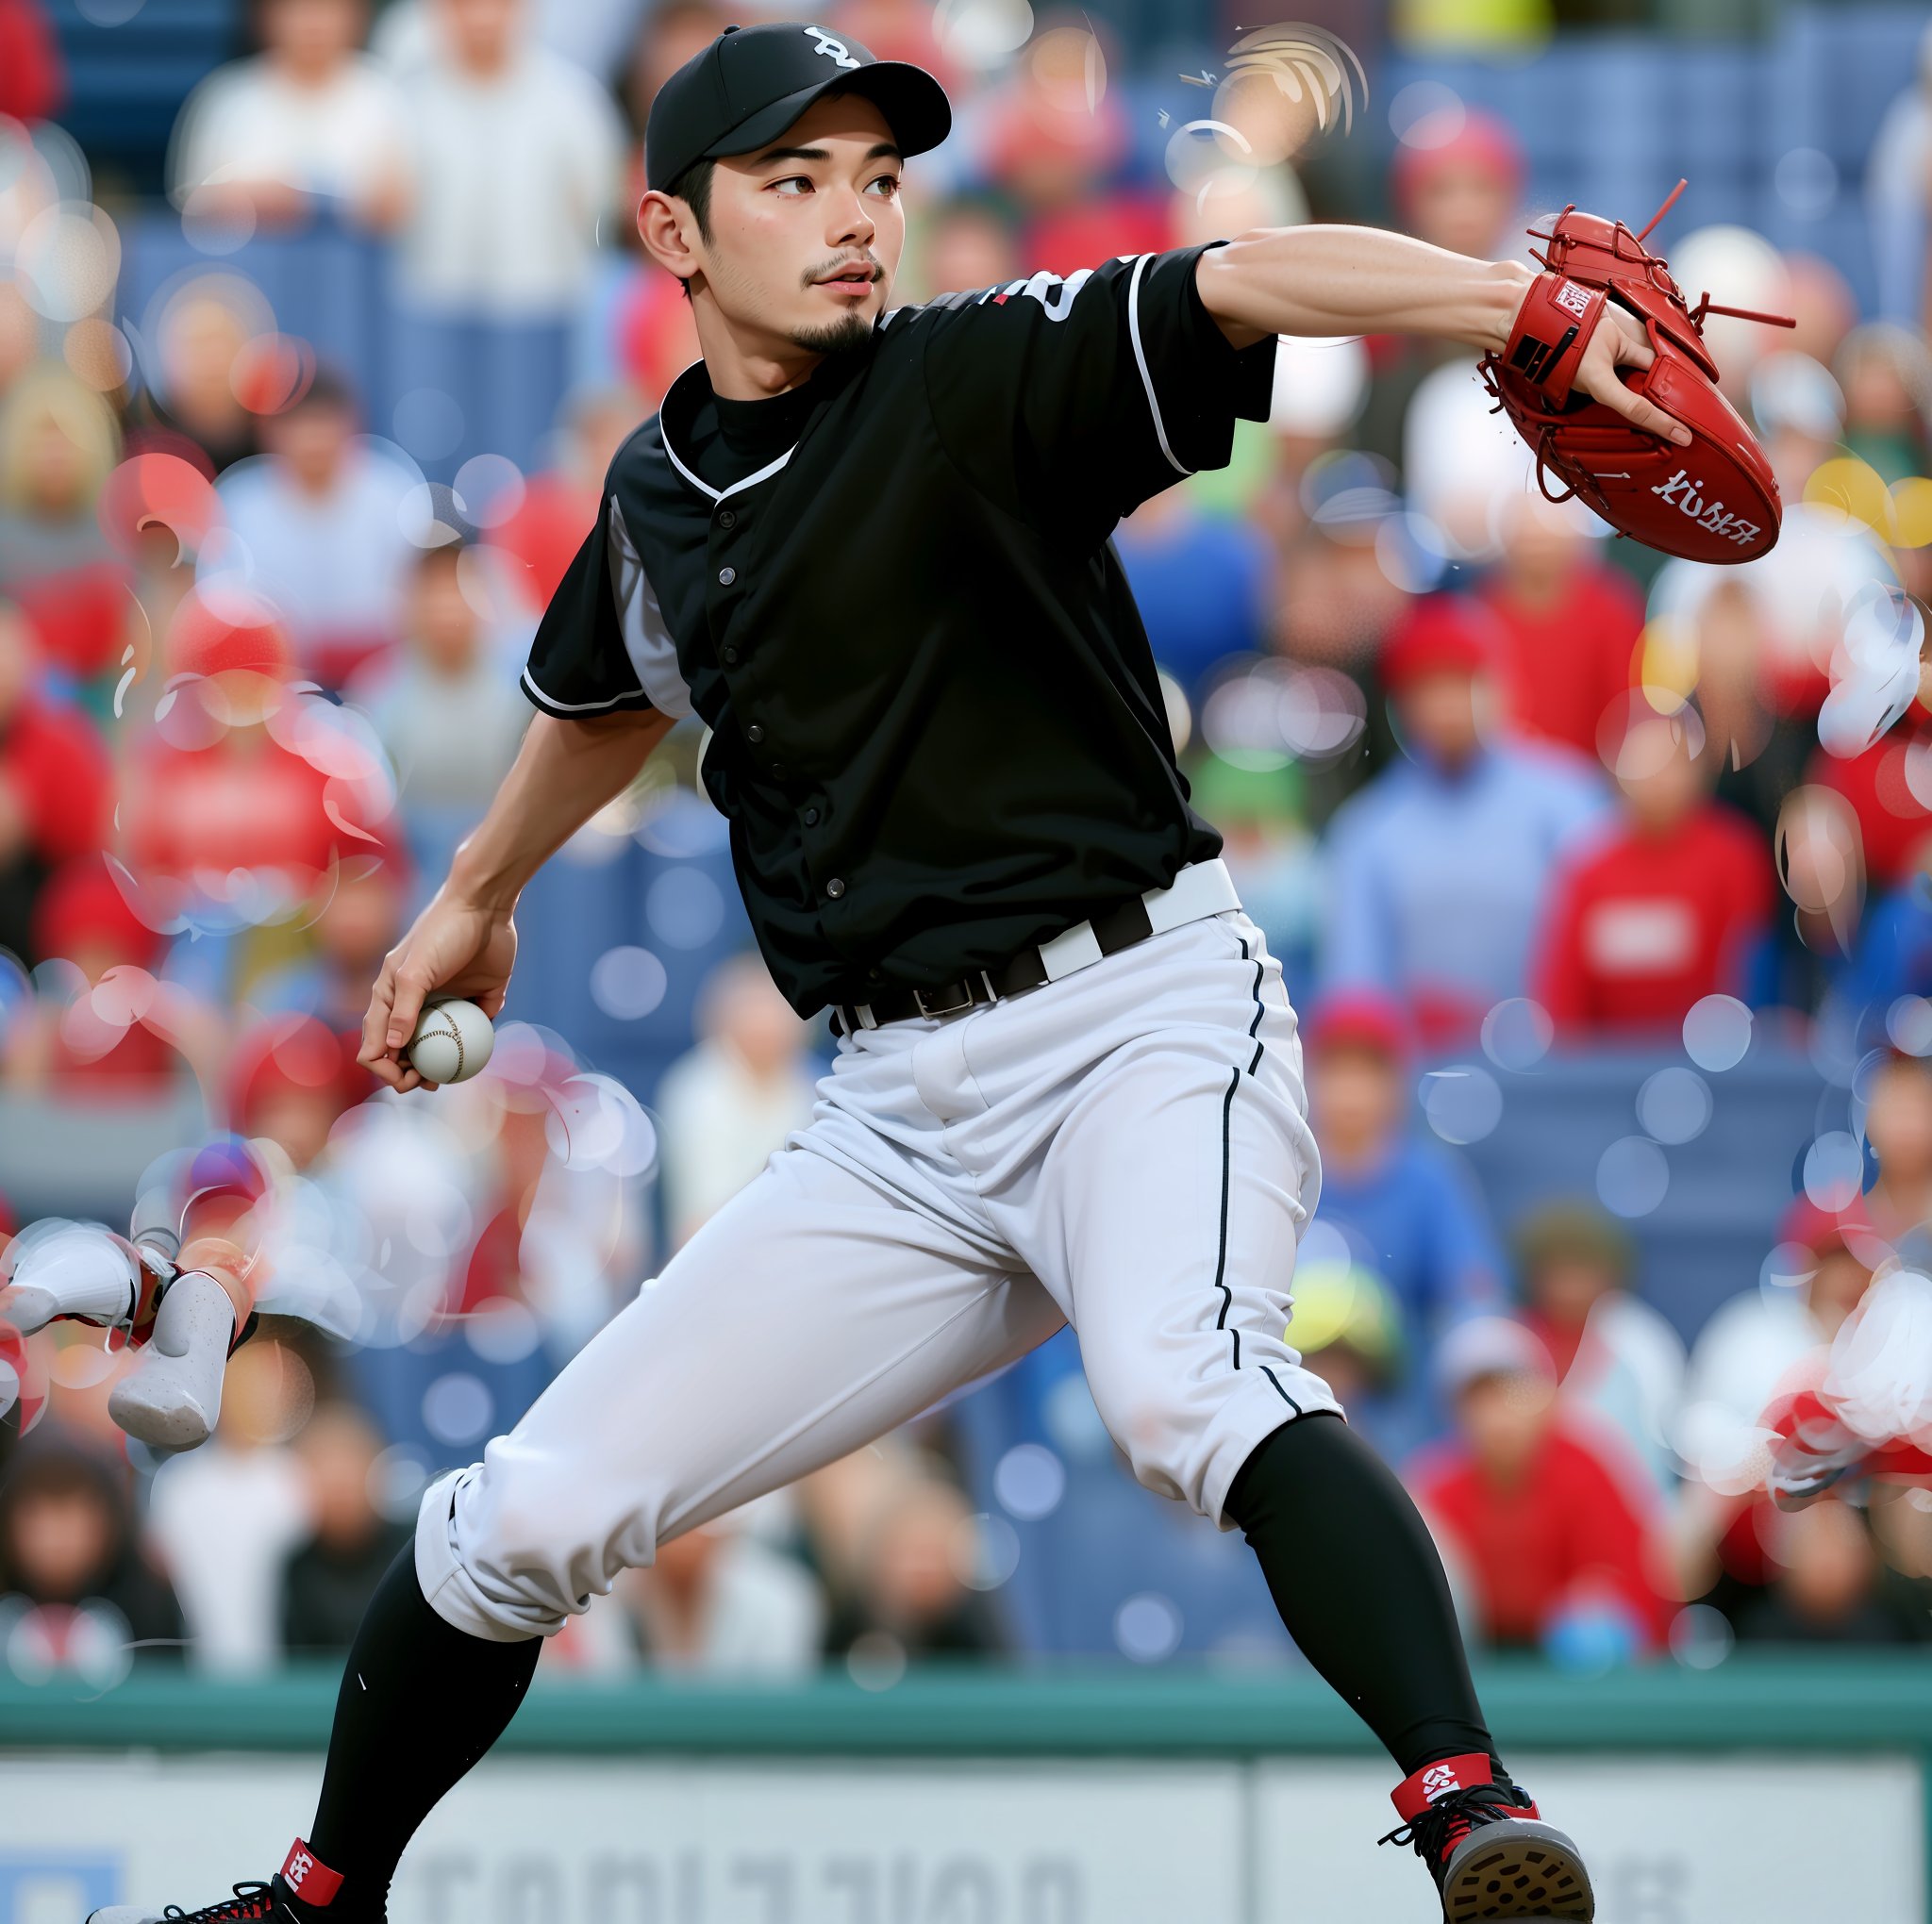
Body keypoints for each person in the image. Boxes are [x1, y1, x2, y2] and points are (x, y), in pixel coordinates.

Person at [101, 23, 1692, 1921]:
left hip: (1138, 1020)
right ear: (672, 232)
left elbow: (1243, 275)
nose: (854, 217)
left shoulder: (965, 378)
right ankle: (318, 1897)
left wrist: (1503, 299)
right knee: (517, 1514)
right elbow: (607, 693)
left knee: (1187, 1386)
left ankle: (1465, 1806)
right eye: (795, 180)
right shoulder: (653, 501)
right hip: (902, 1119)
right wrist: (475, 888)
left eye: (874, 177)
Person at [1322, 594, 1613, 1050]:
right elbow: (1355, 992)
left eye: (1461, 681)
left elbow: (1606, 951)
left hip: (1561, 1077)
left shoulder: (1568, 802)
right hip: (1420, 1085)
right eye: (1426, 686)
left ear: (1498, 685)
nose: (1445, 705)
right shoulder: (1367, 830)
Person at [1407, 1319, 1674, 1661]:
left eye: (1513, 1394)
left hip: (1583, 1679)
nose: (1498, 1416)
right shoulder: (1435, 1489)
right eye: (1480, 1399)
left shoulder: (1587, 1469)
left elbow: (1639, 1593)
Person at [1531, 696, 1774, 1041]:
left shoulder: (1734, 857)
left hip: (1712, 1062)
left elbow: (1747, 975)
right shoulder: (1589, 871)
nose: (1658, 776)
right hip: (1605, 1067)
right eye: (1643, 761)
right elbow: (1564, 996)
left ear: (1698, 769)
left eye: (1672, 762)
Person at [168, 0, 410, 233]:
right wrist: (249, 202)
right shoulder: (226, 99)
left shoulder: (383, 95)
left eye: (328, 7)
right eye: (297, 8)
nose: (313, 23)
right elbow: (191, 208)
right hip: (252, 265)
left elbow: (402, 208)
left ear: (356, 14)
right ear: (266, 15)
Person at [655, 948, 819, 1248]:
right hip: (716, 1250)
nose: (768, 1024)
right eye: (755, 1010)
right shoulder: (695, 1089)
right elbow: (699, 1217)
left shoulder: (814, 1085)